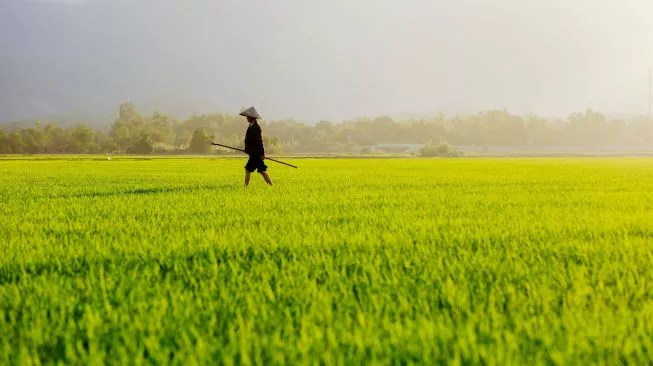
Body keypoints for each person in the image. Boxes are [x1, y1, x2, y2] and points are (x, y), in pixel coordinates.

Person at [241, 106, 273, 186]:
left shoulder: (256, 128)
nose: (246, 118)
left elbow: (259, 142)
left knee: (258, 170)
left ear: (251, 117)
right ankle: (246, 187)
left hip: (256, 154)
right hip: (253, 154)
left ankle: (271, 186)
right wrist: (246, 149)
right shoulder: (251, 126)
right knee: (256, 170)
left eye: (247, 116)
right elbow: (249, 141)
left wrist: (262, 154)